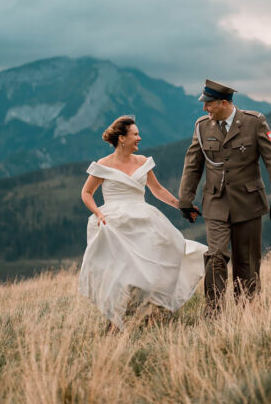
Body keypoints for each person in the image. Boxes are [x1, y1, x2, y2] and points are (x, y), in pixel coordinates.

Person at [79, 115, 207, 329]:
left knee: (156, 265)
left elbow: (157, 190)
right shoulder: (103, 165)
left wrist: (181, 206)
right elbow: (86, 193)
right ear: (122, 138)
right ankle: (115, 319)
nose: (139, 138)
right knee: (121, 273)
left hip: (143, 220)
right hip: (115, 223)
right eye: (135, 134)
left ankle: (151, 313)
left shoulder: (142, 162)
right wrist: (98, 213)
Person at [179, 79, 271, 313]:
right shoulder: (201, 126)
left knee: (246, 261)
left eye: (209, 104)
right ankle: (214, 310)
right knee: (216, 255)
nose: (204, 109)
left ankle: (245, 310)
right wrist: (185, 201)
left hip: (248, 203)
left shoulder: (254, 122)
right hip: (215, 202)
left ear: (224, 103)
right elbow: (193, 165)